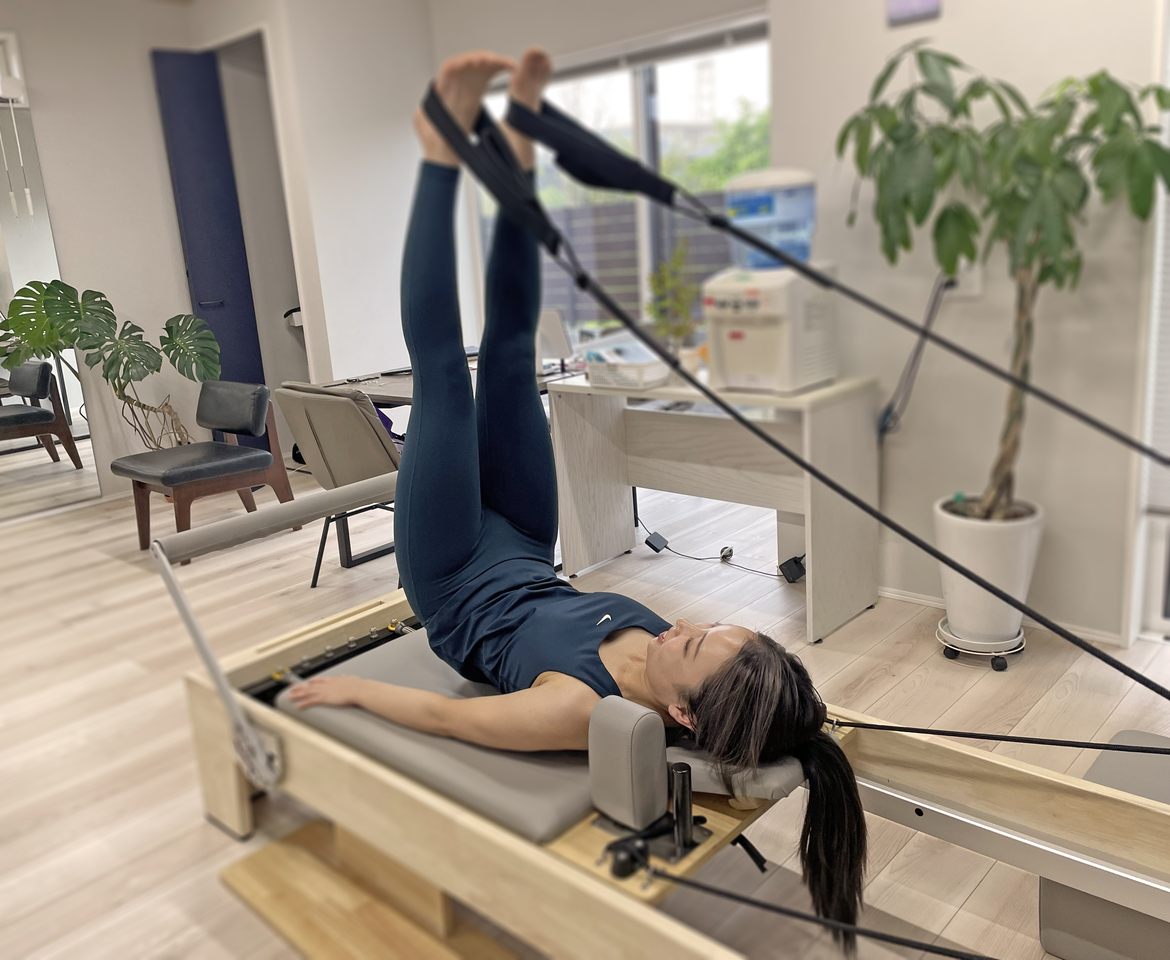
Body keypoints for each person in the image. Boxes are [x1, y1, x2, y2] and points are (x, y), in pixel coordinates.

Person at [285, 49, 868, 943]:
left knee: (443, 376)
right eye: (709, 627)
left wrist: (351, 695)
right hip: (525, 545)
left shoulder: (577, 708)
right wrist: (806, 721)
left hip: (451, 576)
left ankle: (438, 151)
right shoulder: (678, 672)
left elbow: (444, 715)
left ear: (679, 713)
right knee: (512, 353)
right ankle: (517, 152)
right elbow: (773, 712)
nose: (683, 625)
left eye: (692, 644)